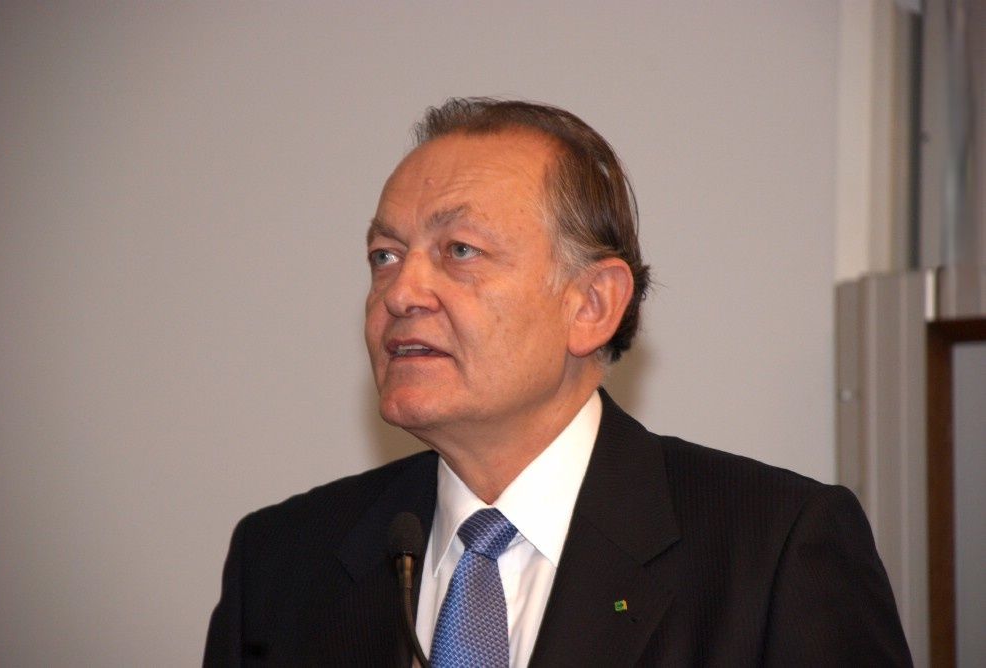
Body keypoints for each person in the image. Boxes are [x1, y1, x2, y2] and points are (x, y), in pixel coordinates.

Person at [204, 98, 911, 666]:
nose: (401, 291)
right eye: (384, 255)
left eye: (459, 250)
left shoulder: (773, 549)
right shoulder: (281, 561)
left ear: (591, 305)